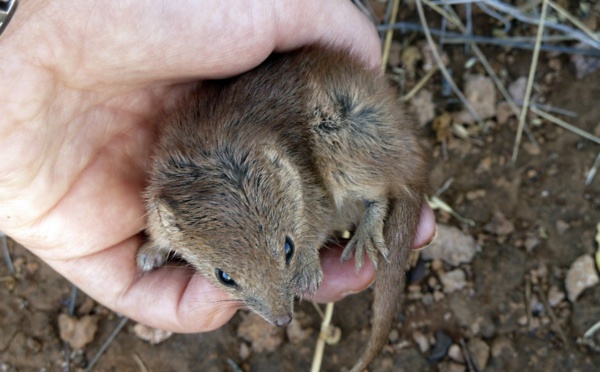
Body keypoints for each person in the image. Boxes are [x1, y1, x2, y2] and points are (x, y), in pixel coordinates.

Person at [0, 0, 436, 333]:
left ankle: (378, 202)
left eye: (282, 248)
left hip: (334, 118)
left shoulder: (277, 175)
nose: (278, 315)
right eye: (227, 278)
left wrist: (302, 250)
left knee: (346, 155)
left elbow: (313, 199)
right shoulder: (170, 218)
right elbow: (165, 224)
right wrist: (158, 247)